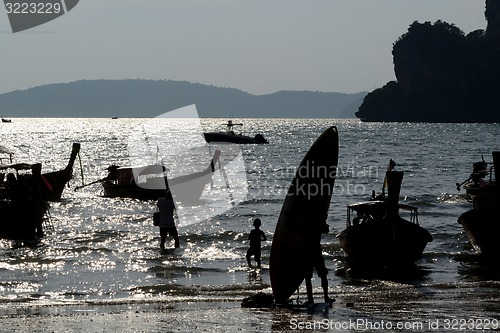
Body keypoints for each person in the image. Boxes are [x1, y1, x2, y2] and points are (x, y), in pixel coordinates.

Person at [304, 221, 334, 304]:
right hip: (314, 251)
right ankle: (324, 297)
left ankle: (312, 299)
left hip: (309, 251)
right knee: (319, 275)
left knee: (311, 276)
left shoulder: (308, 221)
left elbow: (326, 230)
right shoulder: (318, 219)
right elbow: (326, 230)